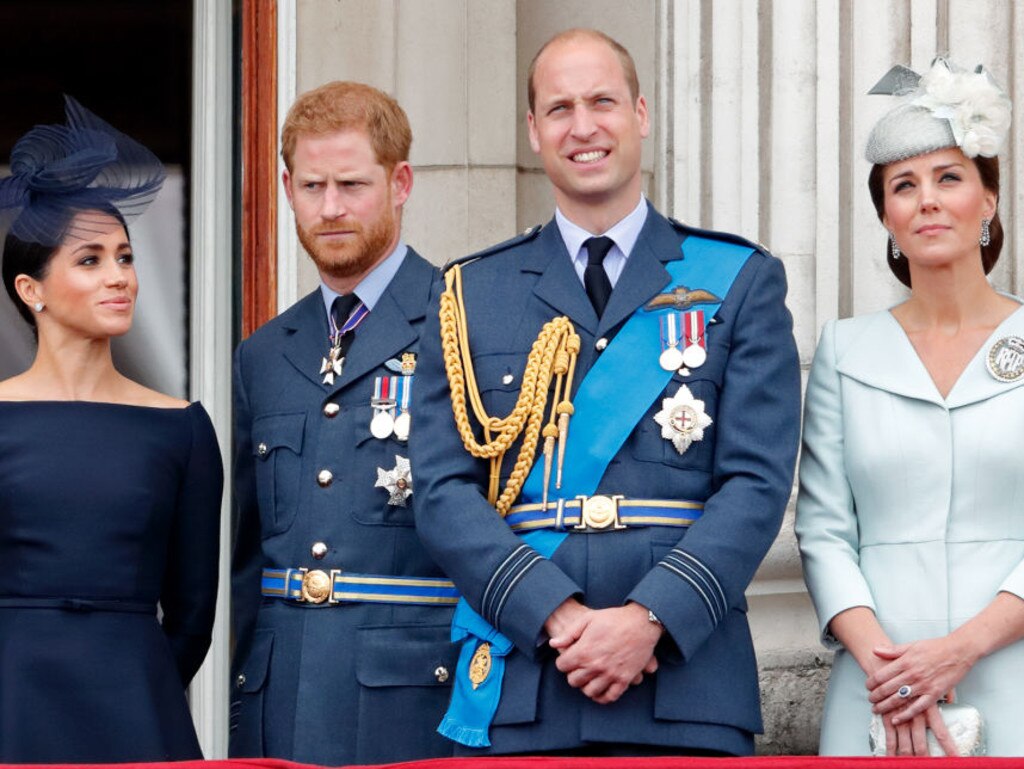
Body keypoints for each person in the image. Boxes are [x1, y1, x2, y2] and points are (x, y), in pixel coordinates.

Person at [411, 29, 800, 757]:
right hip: (527, 679)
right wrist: (555, 614)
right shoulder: (470, 292)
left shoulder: (739, 279)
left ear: (642, 113)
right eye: (559, 108)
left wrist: (650, 618)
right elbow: (440, 491)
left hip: (685, 684)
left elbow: (756, 482)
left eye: (602, 102)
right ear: (533, 131)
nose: (582, 126)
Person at [796, 58, 1024, 757]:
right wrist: (889, 666)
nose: (927, 200)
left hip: (1012, 667)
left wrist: (958, 650)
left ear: (987, 201)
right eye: (904, 185)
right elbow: (823, 529)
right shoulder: (844, 349)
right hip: (878, 684)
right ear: (887, 217)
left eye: (949, 177)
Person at [230, 81, 458, 765]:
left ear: (400, 182)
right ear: (286, 187)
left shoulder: (464, 321)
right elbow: (247, 562)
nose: (329, 208)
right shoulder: (264, 352)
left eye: (352, 185)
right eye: (311, 185)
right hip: (280, 699)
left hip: (414, 702)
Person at [0, 97, 222, 763]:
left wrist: (137, 679)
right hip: (12, 699)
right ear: (31, 289)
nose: (120, 277)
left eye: (125, 257)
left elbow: (193, 615)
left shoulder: (182, 427)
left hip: (136, 706)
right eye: (90, 260)